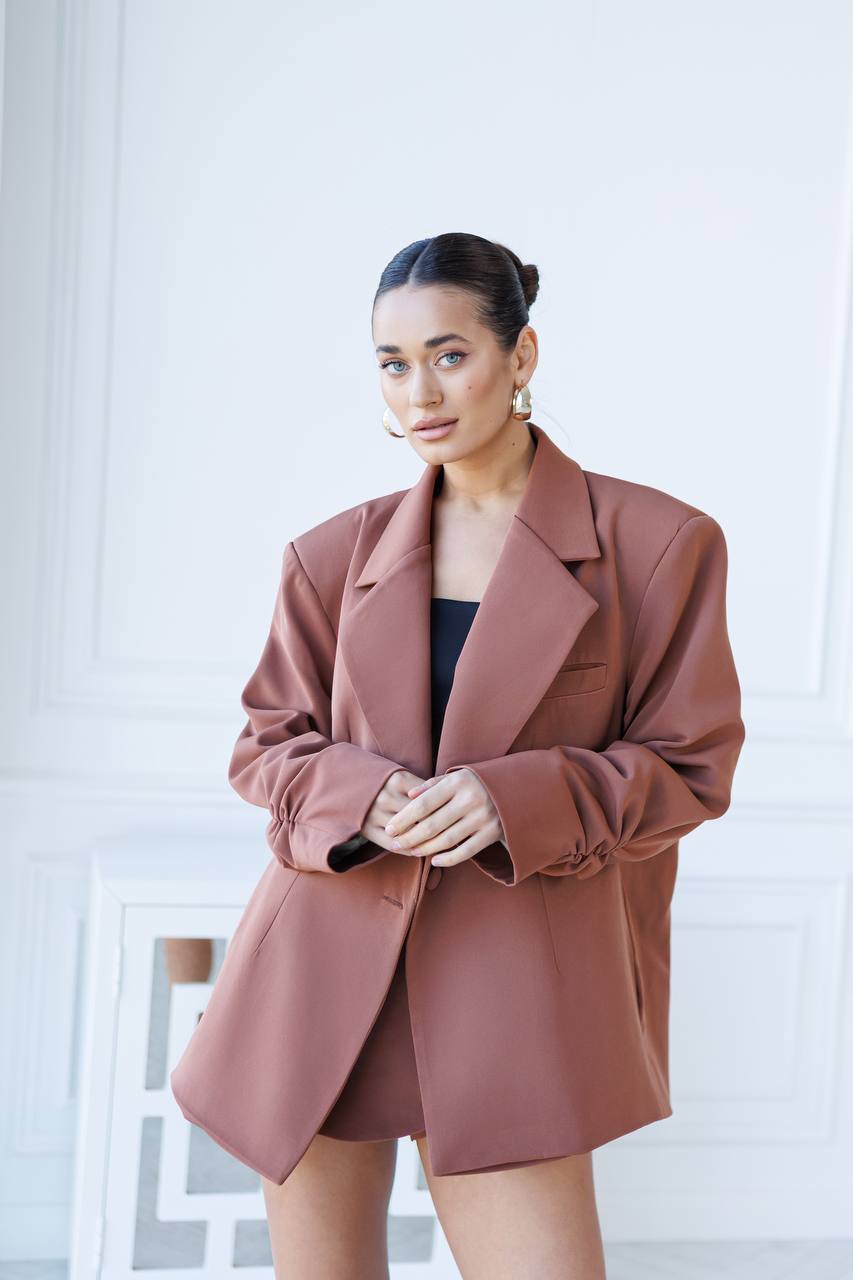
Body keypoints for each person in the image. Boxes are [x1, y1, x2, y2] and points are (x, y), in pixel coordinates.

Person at [171, 231, 745, 1280]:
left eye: (448, 354)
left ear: (520, 356)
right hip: (321, 972)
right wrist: (366, 792)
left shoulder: (659, 542)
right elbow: (267, 744)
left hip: (511, 981)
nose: (418, 393)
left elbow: (690, 763)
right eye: (392, 364)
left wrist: (514, 795)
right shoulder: (331, 554)